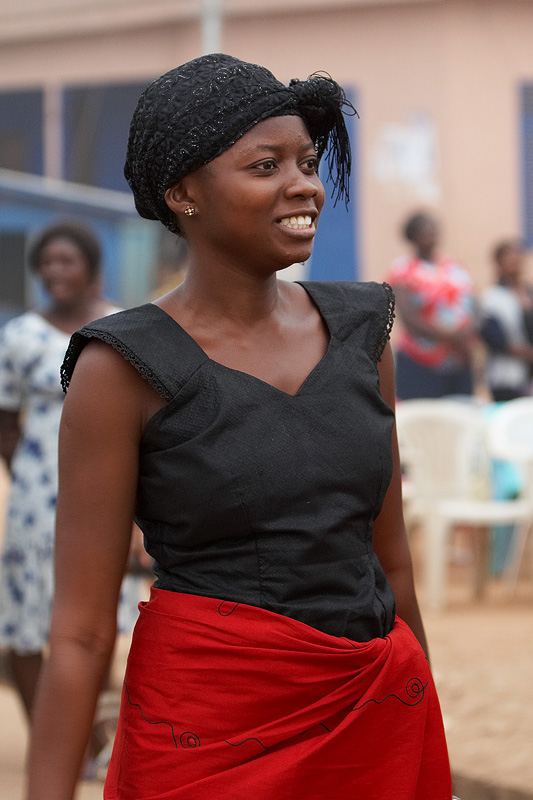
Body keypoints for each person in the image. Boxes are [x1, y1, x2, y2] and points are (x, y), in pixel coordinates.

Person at [27, 55, 452, 800]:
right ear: (182, 193)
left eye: (307, 163)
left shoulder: (361, 331)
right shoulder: (120, 367)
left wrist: (420, 730)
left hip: (370, 720)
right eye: (265, 165)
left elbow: (392, 568)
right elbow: (82, 633)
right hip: (205, 737)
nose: (304, 185)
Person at [0, 221, 141, 763]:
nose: (55, 272)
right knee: (27, 621)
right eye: (47, 263)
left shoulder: (119, 328)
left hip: (107, 496)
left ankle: (87, 738)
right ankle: (53, 745)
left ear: (92, 268)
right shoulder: (19, 336)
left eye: (67, 261)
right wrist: (34, 478)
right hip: (36, 505)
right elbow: (6, 423)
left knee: (94, 618)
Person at [387, 211, 477, 400]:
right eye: (424, 230)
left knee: (461, 412)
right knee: (426, 414)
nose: (431, 234)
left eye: (433, 229)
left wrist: (467, 335)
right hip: (420, 361)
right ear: (412, 236)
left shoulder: (454, 265)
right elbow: (410, 318)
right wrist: (452, 338)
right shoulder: (403, 270)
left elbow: (475, 303)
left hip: (459, 359)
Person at [480, 239, 533, 401]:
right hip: (507, 377)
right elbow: (495, 339)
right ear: (498, 263)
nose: (514, 261)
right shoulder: (492, 297)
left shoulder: (529, 293)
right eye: (508, 257)